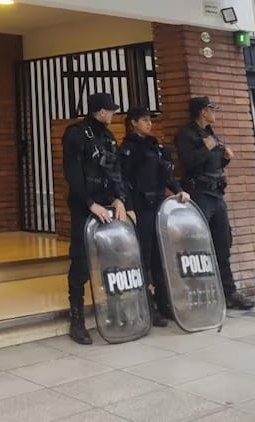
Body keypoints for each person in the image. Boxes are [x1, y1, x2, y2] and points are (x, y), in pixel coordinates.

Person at [61, 92, 132, 345]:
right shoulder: (76, 134)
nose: (113, 114)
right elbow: (72, 174)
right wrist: (90, 204)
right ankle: (77, 319)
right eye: (110, 110)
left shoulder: (108, 137)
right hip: (85, 208)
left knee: (111, 262)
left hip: (107, 208)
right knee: (80, 262)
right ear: (100, 111)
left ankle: (113, 310)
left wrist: (119, 198)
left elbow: (115, 172)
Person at [174, 96, 255, 310]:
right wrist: (206, 148)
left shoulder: (210, 133)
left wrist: (226, 158)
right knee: (197, 245)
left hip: (217, 194)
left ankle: (229, 292)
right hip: (199, 194)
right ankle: (199, 292)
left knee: (223, 243)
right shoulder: (186, 134)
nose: (214, 113)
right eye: (211, 109)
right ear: (202, 111)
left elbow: (214, 163)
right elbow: (188, 163)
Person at [119, 106, 190, 327]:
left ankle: (162, 300)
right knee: (145, 256)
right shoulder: (127, 149)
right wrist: (128, 206)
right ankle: (146, 303)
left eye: (150, 119)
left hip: (159, 205)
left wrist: (178, 189)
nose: (149, 123)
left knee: (160, 254)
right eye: (144, 120)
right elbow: (122, 180)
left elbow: (166, 173)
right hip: (142, 208)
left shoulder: (154, 145)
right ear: (133, 123)